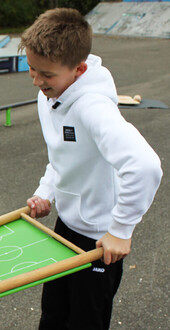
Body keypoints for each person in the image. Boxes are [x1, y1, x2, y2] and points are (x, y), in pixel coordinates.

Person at [19, 8, 163, 330]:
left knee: (86, 322)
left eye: (46, 74)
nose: (37, 81)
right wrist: (45, 193)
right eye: (31, 70)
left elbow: (145, 166)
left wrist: (120, 231)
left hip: (99, 241)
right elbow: (63, 156)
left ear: (79, 69)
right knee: (53, 316)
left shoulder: (92, 107)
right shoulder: (50, 94)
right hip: (66, 227)